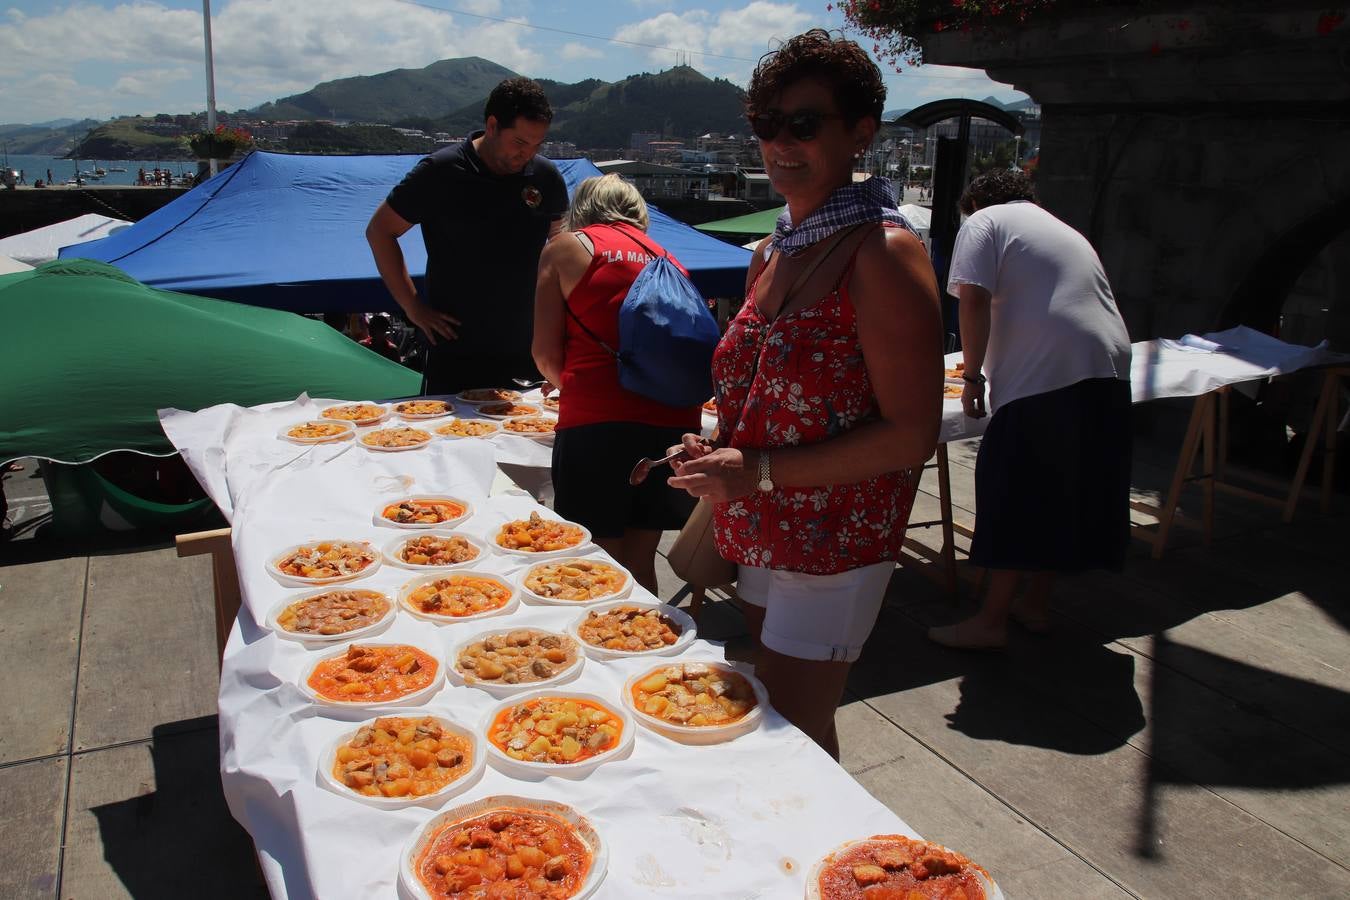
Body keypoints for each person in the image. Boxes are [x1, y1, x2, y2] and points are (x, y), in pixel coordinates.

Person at [667, 29, 944, 758]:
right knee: (791, 719)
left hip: (833, 542)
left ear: (861, 133)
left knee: (783, 737)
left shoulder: (881, 253)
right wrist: (719, 447)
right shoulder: (773, 249)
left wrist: (756, 470)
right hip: (761, 527)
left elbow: (912, 434)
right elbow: (764, 393)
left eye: (804, 123)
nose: (779, 142)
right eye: (766, 124)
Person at [927, 169, 1132, 650]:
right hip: (1108, 365)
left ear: (973, 203)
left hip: (1047, 372)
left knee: (1015, 488)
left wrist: (973, 375)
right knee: (1064, 490)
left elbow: (972, 298)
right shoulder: (1061, 228)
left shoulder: (984, 222)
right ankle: (1034, 604)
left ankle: (991, 621)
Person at [532, 174, 701, 593]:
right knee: (640, 560)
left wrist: (575, 384)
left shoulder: (567, 247)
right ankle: (650, 647)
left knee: (595, 566)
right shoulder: (668, 258)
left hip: (597, 427)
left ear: (583, 209)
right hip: (672, 427)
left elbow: (545, 355)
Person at [367, 77, 569, 394]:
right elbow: (380, 231)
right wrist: (413, 306)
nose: (527, 155)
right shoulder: (440, 171)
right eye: (519, 143)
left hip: (527, 347)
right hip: (455, 348)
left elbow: (562, 246)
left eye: (536, 145)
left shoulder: (546, 177)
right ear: (492, 125)